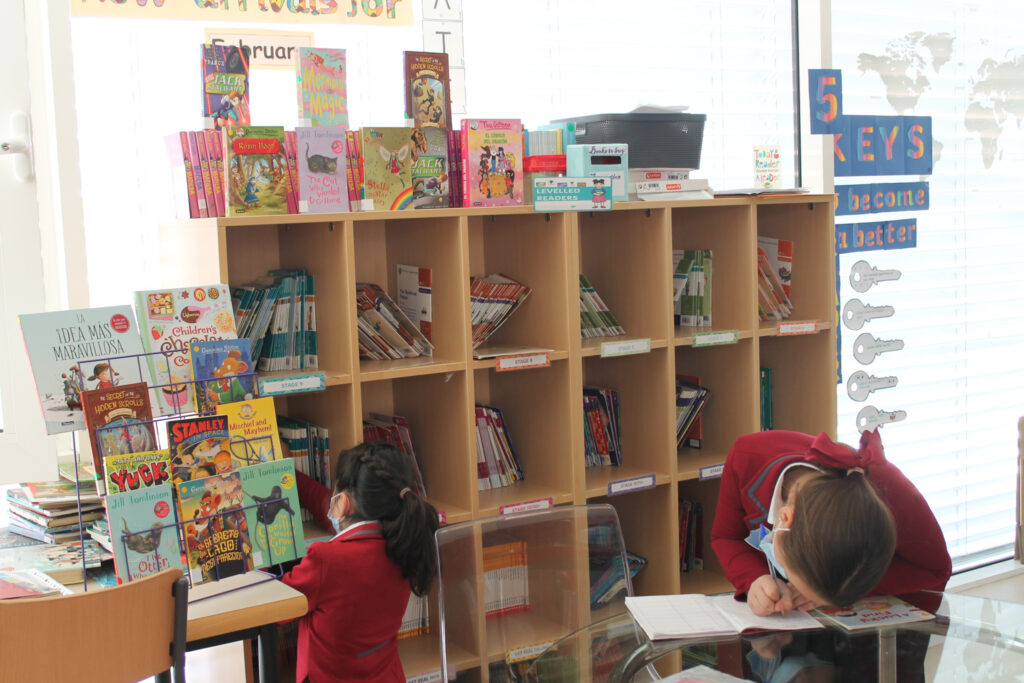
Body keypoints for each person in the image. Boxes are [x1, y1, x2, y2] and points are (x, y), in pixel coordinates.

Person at [711, 428, 951, 617]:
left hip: (885, 626)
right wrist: (756, 578)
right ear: (784, 519)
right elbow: (726, 536)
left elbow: (935, 569)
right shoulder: (746, 457)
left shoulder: (889, 489)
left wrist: (840, 589)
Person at [281, 441, 439, 682]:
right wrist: (289, 476)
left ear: (343, 503)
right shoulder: (406, 543)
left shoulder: (325, 561)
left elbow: (278, 609)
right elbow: (328, 505)